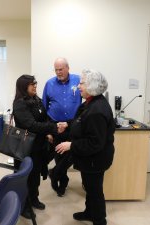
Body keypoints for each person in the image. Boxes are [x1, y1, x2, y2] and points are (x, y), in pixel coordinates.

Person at [56, 69, 115, 225]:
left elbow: (95, 142)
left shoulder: (97, 110)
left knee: (95, 191)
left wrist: (71, 145)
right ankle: (90, 213)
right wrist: (68, 124)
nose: (79, 86)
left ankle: (100, 220)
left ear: (92, 86)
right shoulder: (91, 103)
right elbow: (81, 122)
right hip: (90, 159)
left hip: (95, 159)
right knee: (89, 188)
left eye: (82, 83)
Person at [12, 74, 67, 218]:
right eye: (32, 84)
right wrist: (53, 128)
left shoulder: (36, 100)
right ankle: (24, 206)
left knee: (35, 175)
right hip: (26, 147)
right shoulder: (19, 103)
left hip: (38, 145)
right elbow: (31, 125)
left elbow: (44, 118)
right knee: (26, 177)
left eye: (35, 83)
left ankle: (34, 199)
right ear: (24, 87)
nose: (35, 86)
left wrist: (50, 131)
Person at [42, 57, 82, 197]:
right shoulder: (49, 84)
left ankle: (54, 173)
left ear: (68, 68)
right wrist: (48, 130)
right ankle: (61, 184)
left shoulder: (78, 81)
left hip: (73, 126)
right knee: (60, 156)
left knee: (72, 155)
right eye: (56, 70)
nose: (58, 72)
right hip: (56, 126)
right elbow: (44, 107)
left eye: (61, 69)